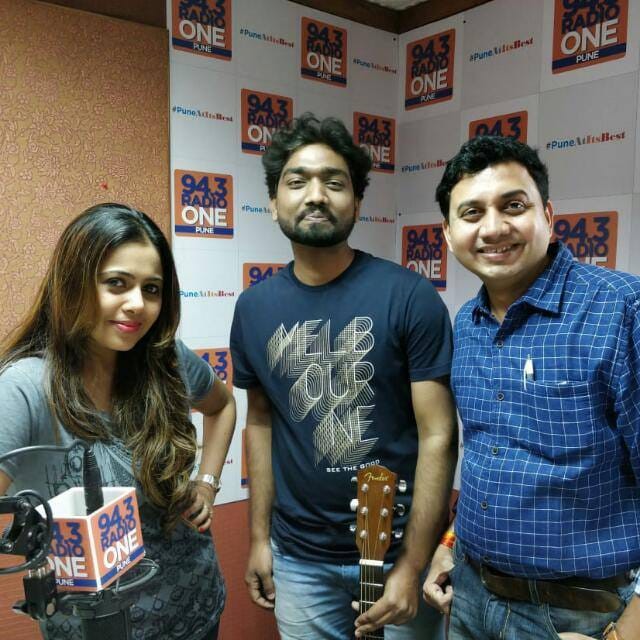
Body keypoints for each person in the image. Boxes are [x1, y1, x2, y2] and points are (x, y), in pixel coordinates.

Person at [230, 112, 458, 640]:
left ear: (356, 203)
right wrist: (259, 539)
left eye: (334, 182)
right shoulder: (253, 309)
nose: (316, 195)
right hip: (299, 560)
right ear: (273, 203)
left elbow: (439, 434)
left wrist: (413, 564)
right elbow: (259, 423)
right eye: (297, 181)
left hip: (396, 552)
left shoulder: (409, 296)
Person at [422, 135, 640, 640]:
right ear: (449, 234)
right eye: (471, 213)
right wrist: (449, 544)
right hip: (470, 597)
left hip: (580, 616)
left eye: (513, 206)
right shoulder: (467, 323)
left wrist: (627, 633)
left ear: (547, 214)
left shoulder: (621, 310)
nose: (493, 227)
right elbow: (491, 458)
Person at [0, 203, 235, 640]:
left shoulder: (166, 359)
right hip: (94, 628)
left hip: (196, 606)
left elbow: (222, 407)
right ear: (73, 283)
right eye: (116, 284)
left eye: (152, 289)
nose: (137, 305)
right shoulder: (24, 387)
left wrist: (206, 484)